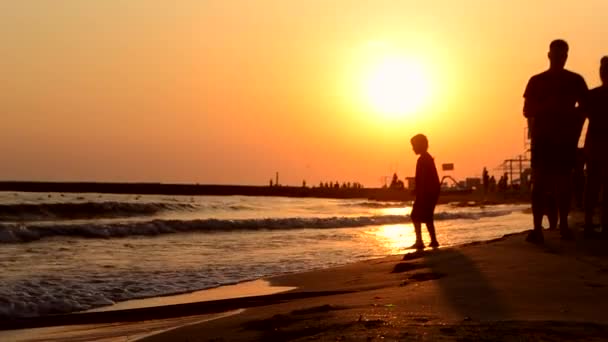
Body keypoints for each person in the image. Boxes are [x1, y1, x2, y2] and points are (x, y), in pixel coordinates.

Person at [523, 39, 588, 243]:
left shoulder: (575, 80)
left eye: (563, 55)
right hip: (543, 139)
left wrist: (574, 126)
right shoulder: (537, 80)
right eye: (557, 54)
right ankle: (537, 229)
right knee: (540, 184)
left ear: (566, 57)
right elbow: (527, 110)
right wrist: (546, 107)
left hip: (564, 140)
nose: (560, 58)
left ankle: (563, 227)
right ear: (549, 55)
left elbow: (586, 108)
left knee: (563, 184)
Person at [583, 56, 608, 238]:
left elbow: (577, 121)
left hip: (594, 146)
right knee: (596, 186)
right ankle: (598, 223)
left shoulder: (591, 96)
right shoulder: (591, 96)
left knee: (593, 185)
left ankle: (590, 222)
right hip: (595, 147)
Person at [409, 134, 440, 250]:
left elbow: (422, 179)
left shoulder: (422, 160)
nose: (413, 149)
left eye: (414, 146)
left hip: (425, 193)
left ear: (420, 145)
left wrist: (419, 193)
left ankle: (419, 241)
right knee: (428, 217)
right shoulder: (428, 158)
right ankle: (433, 240)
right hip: (432, 192)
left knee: (415, 215)